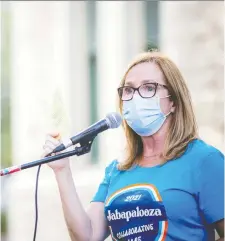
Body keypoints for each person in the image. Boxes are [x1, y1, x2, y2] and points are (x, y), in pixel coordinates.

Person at [42, 52, 224, 241]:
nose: (136, 97)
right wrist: (62, 171)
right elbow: (86, 236)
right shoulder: (117, 170)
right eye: (128, 90)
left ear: (173, 102)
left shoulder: (204, 161)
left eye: (148, 88)